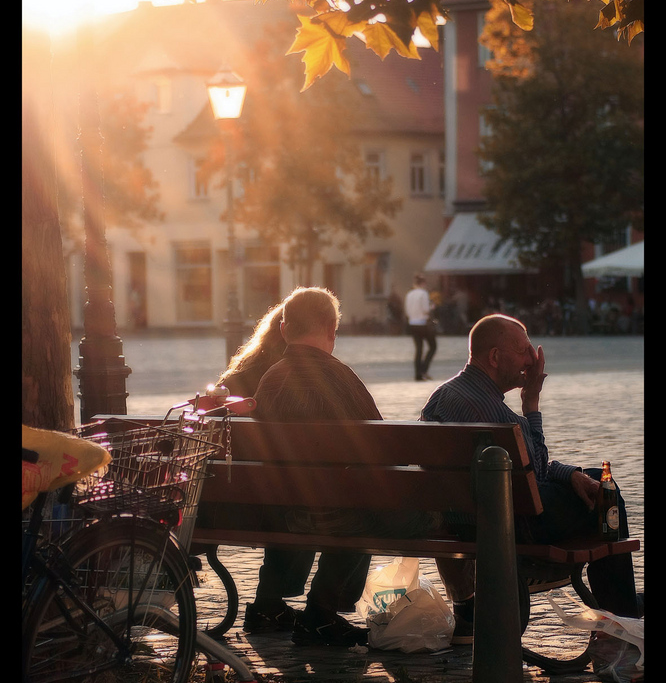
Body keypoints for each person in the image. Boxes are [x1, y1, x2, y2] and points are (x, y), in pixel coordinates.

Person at [420, 313, 642, 643]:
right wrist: (532, 403)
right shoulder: (497, 416)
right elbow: (535, 471)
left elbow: (528, 466)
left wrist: (571, 475)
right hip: (513, 519)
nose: (532, 360)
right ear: (495, 357)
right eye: (524, 351)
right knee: (606, 493)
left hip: (462, 516)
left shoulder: (444, 395)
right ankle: (621, 611)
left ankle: (619, 605)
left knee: (592, 478)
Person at [246, 286, 435, 647]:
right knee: (365, 506)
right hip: (332, 512)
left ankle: (276, 605)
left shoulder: (270, 379)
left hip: (281, 509)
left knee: (326, 494)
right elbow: (385, 453)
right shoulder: (340, 378)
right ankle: (321, 612)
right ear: (332, 330)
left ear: (284, 330)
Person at [404, 273, 437, 381]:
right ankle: (424, 369)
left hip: (412, 323)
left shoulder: (409, 294)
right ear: (423, 283)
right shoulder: (423, 293)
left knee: (419, 349)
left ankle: (417, 374)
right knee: (432, 346)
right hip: (423, 323)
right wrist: (432, 307)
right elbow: (426, 310)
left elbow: (407, 311)